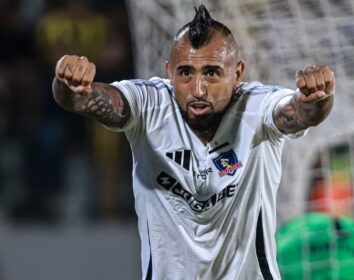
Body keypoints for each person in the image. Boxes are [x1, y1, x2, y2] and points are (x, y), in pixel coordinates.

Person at [52, 5, 335, 280]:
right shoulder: (149, 104)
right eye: (186, 73)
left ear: (237, 74)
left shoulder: (257, 107)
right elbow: (95, 100)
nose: (198, 89)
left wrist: (317, 98)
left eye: (212, 73)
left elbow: (299, 112)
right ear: (169, 72)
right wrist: (71, 89)